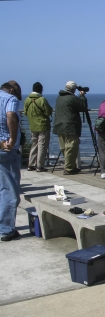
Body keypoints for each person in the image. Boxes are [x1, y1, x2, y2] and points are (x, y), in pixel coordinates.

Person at [0, 81, 22, 242]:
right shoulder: (10, 99)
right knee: (10, 190)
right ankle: (7, 229)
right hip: (6, 150)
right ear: (12, 90)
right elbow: (10, 115)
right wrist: (12, 139)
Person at [52, 81, 86, 175]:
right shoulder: (72, 98)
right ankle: (69, 168)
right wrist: (82, 96)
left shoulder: (59, 97)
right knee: (71, 146)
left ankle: (71, 166)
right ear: (74, 89)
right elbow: (83, 107)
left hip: (59, 125)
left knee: (64, 148)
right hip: (70, 125)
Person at [24, 82, 53, 172]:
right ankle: (39, 165)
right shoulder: (42, 100)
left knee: (34, 144)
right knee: (42, 145)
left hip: (32, 125)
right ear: (41, 90)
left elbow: (25, 112)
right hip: (43, 125)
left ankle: (31, 164)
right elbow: (48, 112)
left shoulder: (27, 100)